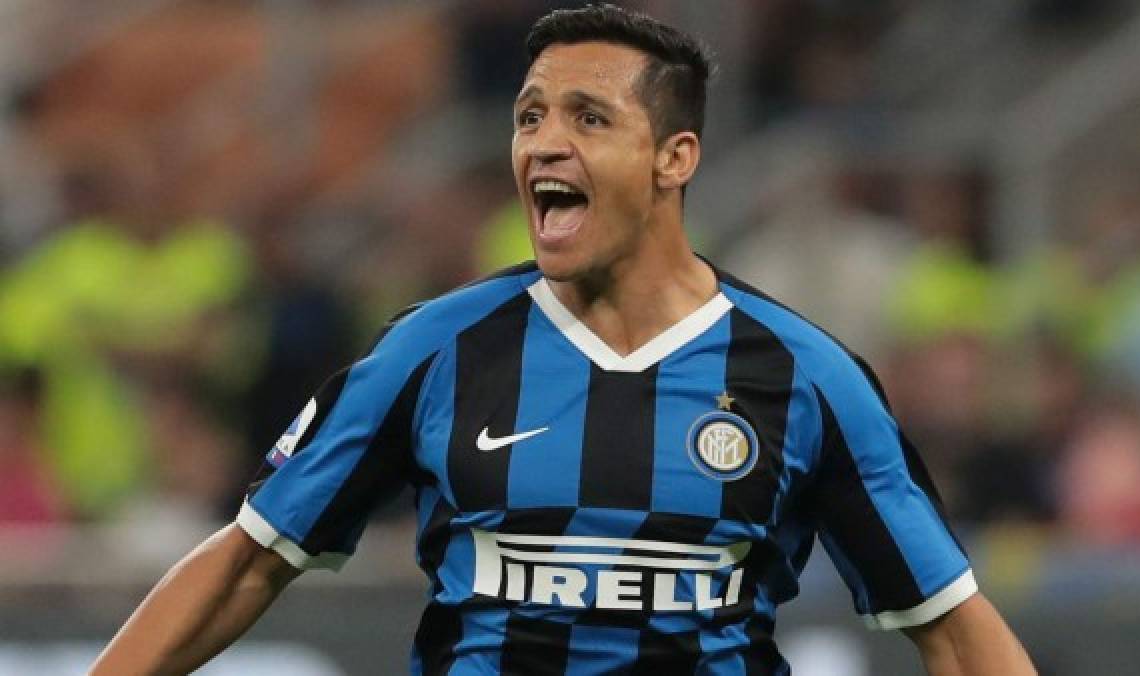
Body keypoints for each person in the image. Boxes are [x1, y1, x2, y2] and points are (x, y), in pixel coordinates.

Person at [92, 5, 1035, 674]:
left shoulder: (805, 378)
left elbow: (952, 628)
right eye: (529, 115)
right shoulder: (434, 352)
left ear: (674, 158)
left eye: (589, 117)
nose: (545, 142)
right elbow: (250, 559)